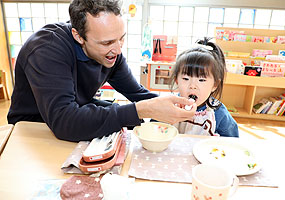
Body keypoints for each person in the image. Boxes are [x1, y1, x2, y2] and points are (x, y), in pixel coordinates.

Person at [7, 0, 196, 142]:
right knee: (127, 115)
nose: (118, 49)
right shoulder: (47, 49)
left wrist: (171, 104)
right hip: (34, 126)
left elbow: (137, 93)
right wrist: (141, 109)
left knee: (128, 120)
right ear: (78, 36)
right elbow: (64, 121)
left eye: (121, 38)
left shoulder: (112, 53)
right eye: (107, 43)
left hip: (74, 111)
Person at [169, 38, 239, 137]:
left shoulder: (218, 113)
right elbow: (153, 127)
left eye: (201, 80)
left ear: (215, 85)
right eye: (185, 78)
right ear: (176, 81)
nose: (192, 86)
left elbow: (232, 140)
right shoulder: (170, 104)